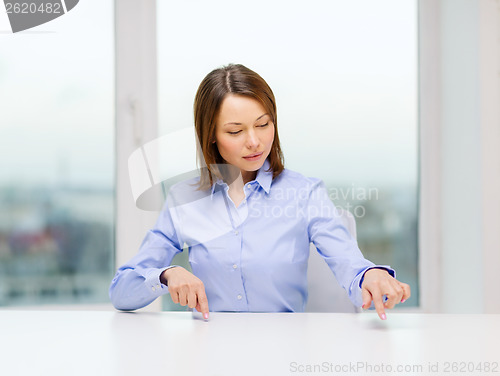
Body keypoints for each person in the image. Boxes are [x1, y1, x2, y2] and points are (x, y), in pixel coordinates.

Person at [109, 63, 411, 321]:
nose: (254, 142)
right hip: (208, 355)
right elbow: (122, 290)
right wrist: (166, 275)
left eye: (263, 124)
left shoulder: (304, 194)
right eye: (235, 131)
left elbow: (350, 265)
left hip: (285, 353)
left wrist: (371, 277)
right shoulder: (184, 199)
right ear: (210, 136)